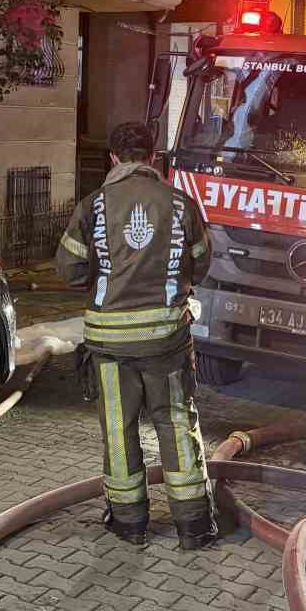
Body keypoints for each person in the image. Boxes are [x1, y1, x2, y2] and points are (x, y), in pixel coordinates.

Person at [55, 121, 216, 549]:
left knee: (119, 429)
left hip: (110, 346)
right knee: (176, 424)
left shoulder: (94, 206)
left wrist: (107, 275)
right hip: (166, 342)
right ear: (153, 156)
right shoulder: (180, 204)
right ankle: (194, 526)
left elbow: (69, 269)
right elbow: (201, 263)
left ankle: (129, 523)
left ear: (113, 157)